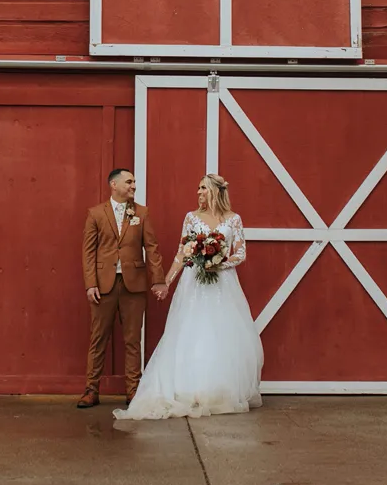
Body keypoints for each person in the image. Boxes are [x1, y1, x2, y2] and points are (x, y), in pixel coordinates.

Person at [114, 173, 264, 420]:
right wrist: (166, 282)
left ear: (216, 191)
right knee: (191, 331)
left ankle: (219, 390)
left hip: (223, 285)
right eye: (198, 188)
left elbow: (241, 254)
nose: (198, 192)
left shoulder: (234, 220)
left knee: (222, 334)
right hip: (194, 284)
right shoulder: (191, 218)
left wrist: (218, 262)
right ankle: (188, 388)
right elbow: (181, 254)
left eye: (203, 188)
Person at [77, 168, 167, 408]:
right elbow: (88, 252)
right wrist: (90, 284)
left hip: (134, 285)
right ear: (113, 185)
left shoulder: (142, 213)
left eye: (134, 182)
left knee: (132, 340)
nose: (133, 186)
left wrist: (158, 279)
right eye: (129, 182)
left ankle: (133, 391)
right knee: (98, 338)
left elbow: (152, 247)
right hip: (103, 286)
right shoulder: (95, 214)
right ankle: (91, 389)